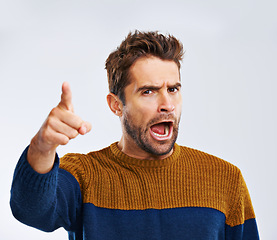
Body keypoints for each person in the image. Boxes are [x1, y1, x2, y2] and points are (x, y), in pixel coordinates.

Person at [10, 31, 259, 240]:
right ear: (116, 104)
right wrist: (42, 148)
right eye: (149, 91)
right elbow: (30, 210)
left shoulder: (226, 179)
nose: (167, 104)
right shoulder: (84, 175)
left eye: (173, 89)